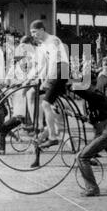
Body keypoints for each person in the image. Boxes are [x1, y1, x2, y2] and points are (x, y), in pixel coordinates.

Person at [29, 20, 69, 151]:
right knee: (45, 101)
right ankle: (47, 129)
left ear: (42, 29)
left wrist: (47, 80)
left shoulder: (52, 40)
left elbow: (53, 62)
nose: (33, 35)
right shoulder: (44, 44)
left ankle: (52, 137)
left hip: (60, 69)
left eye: (35, 32)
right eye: (32, 33)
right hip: (57, 70)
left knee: (45, 104)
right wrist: (40, 78)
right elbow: (43, 65)